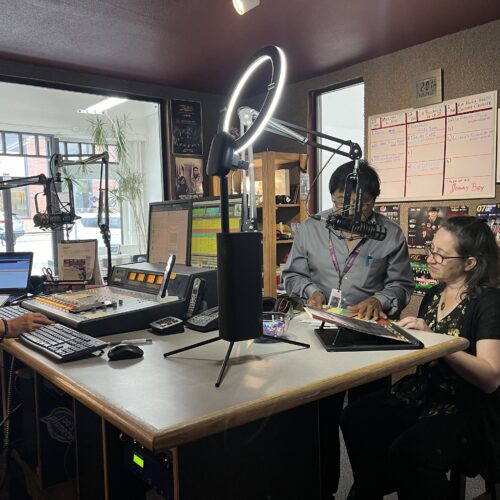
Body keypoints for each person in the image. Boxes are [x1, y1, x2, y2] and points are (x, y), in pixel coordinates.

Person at [340, 216, 500, 500]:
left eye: (440, 254)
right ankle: (373, 484)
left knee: (409, 452)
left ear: (470, 263)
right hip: (426, 390)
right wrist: (392, 332)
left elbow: (489, 378)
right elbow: (424, 349)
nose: (431, 259)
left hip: (465, 405)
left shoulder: (487, 302)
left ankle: (389, 480)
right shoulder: (434, 294)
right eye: (430, 249)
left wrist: (437, 343)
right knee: (356, 417)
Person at [282, 159, 414, 499]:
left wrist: (380, 301)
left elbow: (402, 285)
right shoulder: (312, 227)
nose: (352, 211)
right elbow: (292, 275)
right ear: (332, 196)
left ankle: (368, 489)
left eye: (363, 204)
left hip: (366, 337)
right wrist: (309, 291)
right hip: (317, 333)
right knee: (320, 419)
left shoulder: (389, 234)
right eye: (342, 201)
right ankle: (323, 488)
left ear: (375, 201)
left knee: (366, 419)